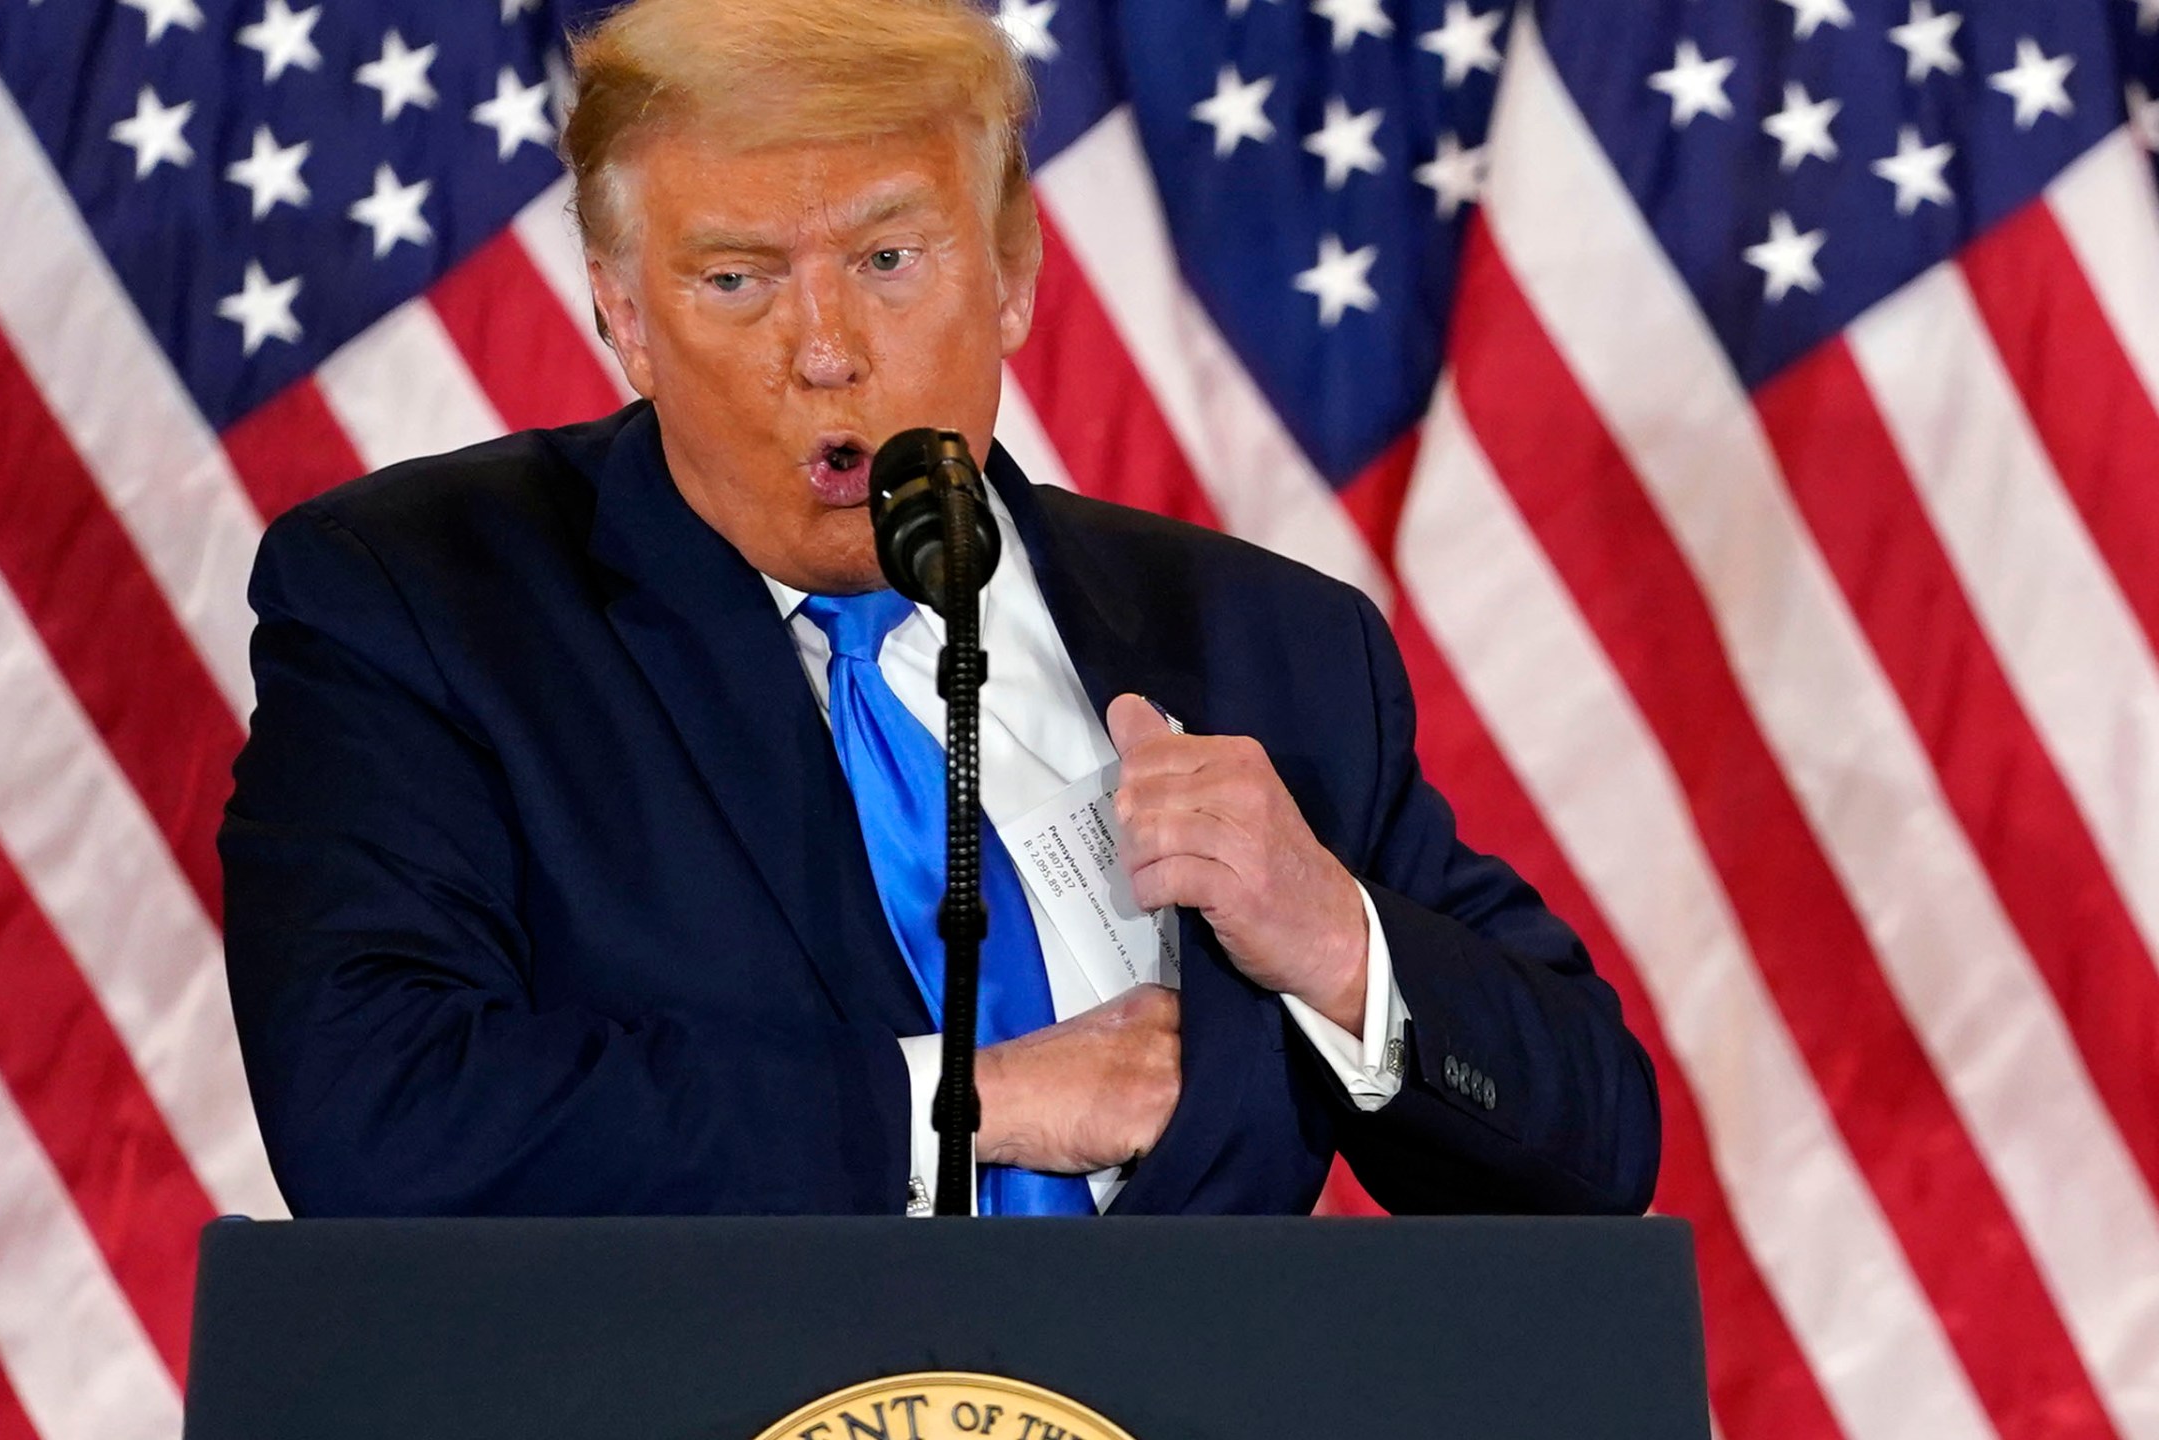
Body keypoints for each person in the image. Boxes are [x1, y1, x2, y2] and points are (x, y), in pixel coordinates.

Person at [219, 0, 1659, 1218]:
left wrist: (1330, 935)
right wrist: (975, 1102)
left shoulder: (1265, 644)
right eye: (736, 279)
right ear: (624, 318)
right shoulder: (424, 602)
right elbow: (379, 1110)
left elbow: (1593, 1156)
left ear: (1015, 273)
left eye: (893, 261)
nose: (829, 351)